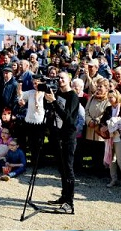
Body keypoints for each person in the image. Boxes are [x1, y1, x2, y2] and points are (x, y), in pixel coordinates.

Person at [44, 70, 80, 214]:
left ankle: (69, 203)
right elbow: (54, 112)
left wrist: (54, 102)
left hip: (68, 137)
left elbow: (69, 119)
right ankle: (64, 196)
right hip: (57, 135)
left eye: (62, 78)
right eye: (58, 78)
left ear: (69, 80)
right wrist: (50, 103)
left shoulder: (72, 96)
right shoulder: (58, 93)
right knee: (61, 168)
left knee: (68, 169)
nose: (60, 80)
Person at [100, 89, 121, 192]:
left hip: (119, 137)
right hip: (110, 137)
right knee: (111, 159)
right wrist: (105, 126)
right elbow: (103, 120)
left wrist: (108, 126)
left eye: (111, 97)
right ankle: (113, 179)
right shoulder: (108, 108)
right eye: (108, 97)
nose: (110, 99)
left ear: (117, 97)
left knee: (120, 160)